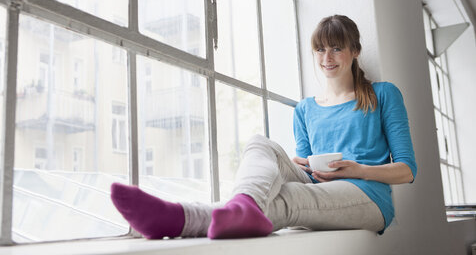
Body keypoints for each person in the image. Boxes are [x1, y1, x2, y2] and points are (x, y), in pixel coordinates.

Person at [110, 14, 417, 239]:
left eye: (336, 48)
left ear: (355, 51)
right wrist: (304, 165)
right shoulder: (305, 108)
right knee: (261, 143)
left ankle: (179, 218)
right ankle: (241, 206)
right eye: (320, 50)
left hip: (369, 197)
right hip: (321, 186)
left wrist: (356, 169)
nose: (327, 57)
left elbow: (407, 170)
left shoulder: (384, 94)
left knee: (289, 199)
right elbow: (309, 171)